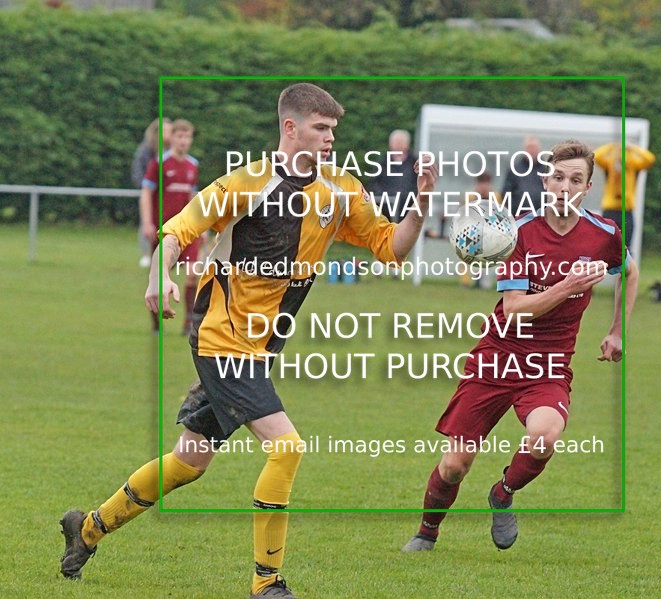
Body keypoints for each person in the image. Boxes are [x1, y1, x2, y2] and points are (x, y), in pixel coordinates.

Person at [60, 83, 438, 598]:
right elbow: (179, 229)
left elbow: (390, 245)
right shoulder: (248, 182)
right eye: (320, 128)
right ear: (290, 127)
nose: (330, 139)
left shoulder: (341, 190)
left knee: (188, 462)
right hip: (220, 337)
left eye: (333, 130)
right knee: (287, 448)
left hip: (259, 347)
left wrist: (419, 207)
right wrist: (159, 276)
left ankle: (87, 529)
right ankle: (267, 583)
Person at [402, 140, 638, 553]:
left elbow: (630, 272)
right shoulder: (518, 233)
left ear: (587, 188)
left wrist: (617, 330)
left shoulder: (603, 234)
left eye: (576, 180)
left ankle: (504, 492)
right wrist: (568, 286)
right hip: (497, 357)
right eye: (559, 177)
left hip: (548, 366)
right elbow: (514, 309)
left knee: (545, 435)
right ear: (546, 180)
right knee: (455, 465)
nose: (565, 187)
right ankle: (427, 532)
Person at [139, 118, 200, 333]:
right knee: (159, 276)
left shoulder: (193, 165)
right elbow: (146, 192)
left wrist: (202, 225)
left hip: (187, 230)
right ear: (172, 138)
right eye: (179, 136)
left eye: (187, 137)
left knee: (194, 273)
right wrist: (147, 222)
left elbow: (192, 197)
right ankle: (157, 322)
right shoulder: (159, 163)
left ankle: (190, 323)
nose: (183, 141)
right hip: (163, 230)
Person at [593, 141, 656, 246]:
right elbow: (596, 156)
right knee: (605, 245)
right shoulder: (610, 164)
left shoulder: (633, 165)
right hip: (610, 210)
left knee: (626, 246)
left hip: (626, 210)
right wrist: (612, 146)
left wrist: (632, 148)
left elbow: (650, 159)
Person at [132, 118, 172, 268]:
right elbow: (138, 172)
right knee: (147, 222)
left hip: (167, 196)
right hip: (151, 194)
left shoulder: (172, 151)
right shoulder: (145, 150)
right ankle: (146, 254)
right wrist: (147, 187)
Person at [368, 129, 418, 223]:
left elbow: (418, 186)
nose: (398, 144)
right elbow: (373, 184)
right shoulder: (381, 163)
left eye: (401, 142)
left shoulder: (415, 163)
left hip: (408, 211)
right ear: (390, 143)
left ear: (408, 144)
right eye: (396, 142)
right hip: (384, 210)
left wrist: (406, 197)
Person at [501, 134, 545, 216]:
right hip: (519, 217)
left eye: (534, 147)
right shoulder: (514, 169)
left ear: (539, 149)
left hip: (542, 217)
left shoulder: (547, 169)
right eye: (529, 147)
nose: (532, 150)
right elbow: (506, 192)